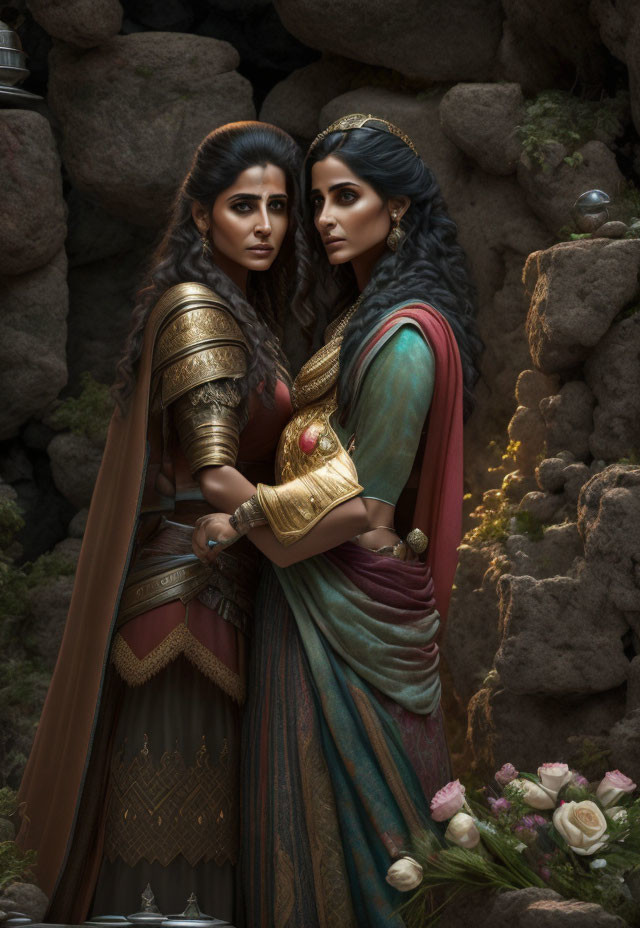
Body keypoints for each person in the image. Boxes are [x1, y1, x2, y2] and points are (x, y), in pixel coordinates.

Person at [15, 121, 308, 925]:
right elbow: (213, 473)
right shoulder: (200, 310)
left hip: (220, 586)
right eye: (242, 205)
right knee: (177, 829)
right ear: (202, 214)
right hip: (189, 604)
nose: (262, 225)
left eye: (279, 207)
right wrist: (306, 529)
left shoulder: (243, 312)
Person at [193, 114, 482, 926]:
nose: (321, 221)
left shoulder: (402, 339)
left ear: (397, 210)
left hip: (349, 604)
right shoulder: (359, 321)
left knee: (365, 832)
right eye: (315, 200)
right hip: (314, 592)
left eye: (344, 198)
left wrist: (242, 515)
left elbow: (364, 507)